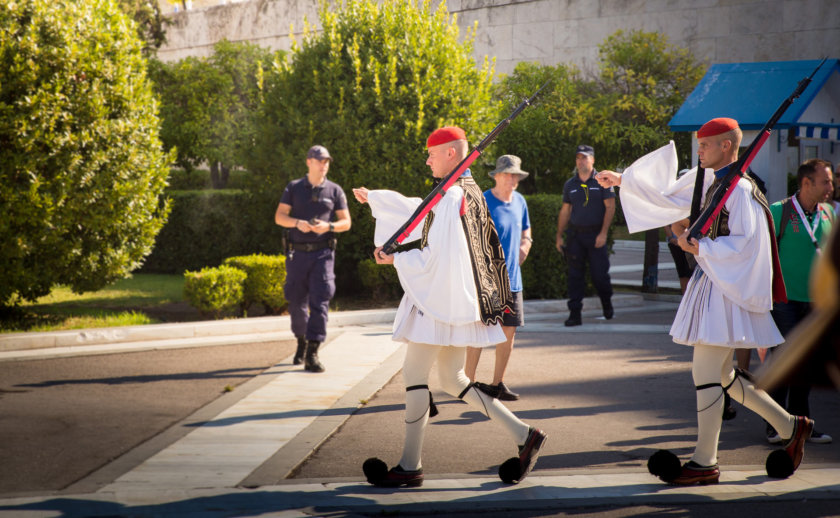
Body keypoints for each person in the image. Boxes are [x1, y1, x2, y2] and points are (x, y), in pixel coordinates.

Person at [595, 117, 813, 486]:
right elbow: (669, 198)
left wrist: (700, 246)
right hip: (715, 285)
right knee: (723, 375)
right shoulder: (713, 182)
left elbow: (748, 243)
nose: (700, 152)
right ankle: (791, 425)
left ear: (727, 146)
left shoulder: (740, 190)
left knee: (707, 374)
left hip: (725, 289)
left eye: (705, 146)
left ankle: (705, 461)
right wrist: (622, 180)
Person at [352, 127, 546, 488]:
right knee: (452, 378)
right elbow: (423, 212)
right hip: (457, 302)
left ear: (452, 155)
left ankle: (410, 466)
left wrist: (395, 261)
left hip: (440, 303)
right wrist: (378, 199)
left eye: (432, 153)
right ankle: (524, 434)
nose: (427, 159)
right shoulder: (465, 191)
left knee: (415, 376)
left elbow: (438, 253)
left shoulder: (454, 193)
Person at [765, 158, 835, 444]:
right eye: (826, 181)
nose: (831, 187)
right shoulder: (778, 212)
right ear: (806, 183)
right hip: (784, 300)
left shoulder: (829, 213)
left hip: (817, 303)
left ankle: (801, 424)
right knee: (785, 360)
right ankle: (775, 424)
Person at [274, 145, 351, 373]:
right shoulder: (294, 188)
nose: (323, 164)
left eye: (326, 161)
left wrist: (328, 226)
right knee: (296, 302)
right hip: (297, 254)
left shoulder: (335, 191)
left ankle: (313, 352)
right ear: (309, 162)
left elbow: (346, 222)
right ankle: (302, 340)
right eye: (319, 161)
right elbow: (280, 217)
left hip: (323, 254)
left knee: (321, 300)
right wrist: (297, 223)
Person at [464, 155, 533, 402]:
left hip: (513, 281)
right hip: (487, 281)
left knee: (508, 333)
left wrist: (527, 243)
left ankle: (497, 384)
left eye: (515, 175)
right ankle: (467, 385)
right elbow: (470, 237)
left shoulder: (520, 202)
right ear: (497, 175)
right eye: (507, 174)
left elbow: (526, 230)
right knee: (480, 332)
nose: (512, 179)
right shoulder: (483, 200)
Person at [555, 144, 615, 326]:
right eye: (579, 157)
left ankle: (607, 305)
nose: (581, 161)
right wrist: (559, 235)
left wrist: (603, 233)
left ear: (593, 160)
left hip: (596, 235)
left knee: (599, 276)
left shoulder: (602, 180)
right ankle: (575, 315)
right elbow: (565, 210)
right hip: (575, 237)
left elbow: (610, 207)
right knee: (574, 277)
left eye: (585, 157)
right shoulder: (570, 184)